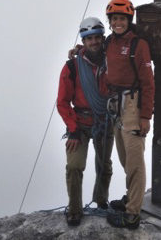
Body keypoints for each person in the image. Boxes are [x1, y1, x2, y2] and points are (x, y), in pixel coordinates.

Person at [57, 17, 114, 226]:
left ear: (102, 38)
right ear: (84, 39)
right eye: (89, 39)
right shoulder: (72, 67)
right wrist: (72, 129)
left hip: (104, 120)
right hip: (79, 123)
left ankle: (101, 201)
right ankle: (74, 209)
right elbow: (62, 101)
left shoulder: (113, 61)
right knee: (74, 166)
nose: (94, 42)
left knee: (104, 165)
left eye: (97, 37)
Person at [104, 0, 155, 230]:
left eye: (122, 19)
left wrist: (145, 117)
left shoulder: (138, 45)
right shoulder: (109, 43)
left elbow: (148, 83)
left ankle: (132, 214)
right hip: (116, 105)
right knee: (124, 157)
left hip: (133, 105)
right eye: (114, 19)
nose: (118, 23)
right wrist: (78, 49)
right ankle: (131, 197)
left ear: (129, 19)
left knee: (134, 160)